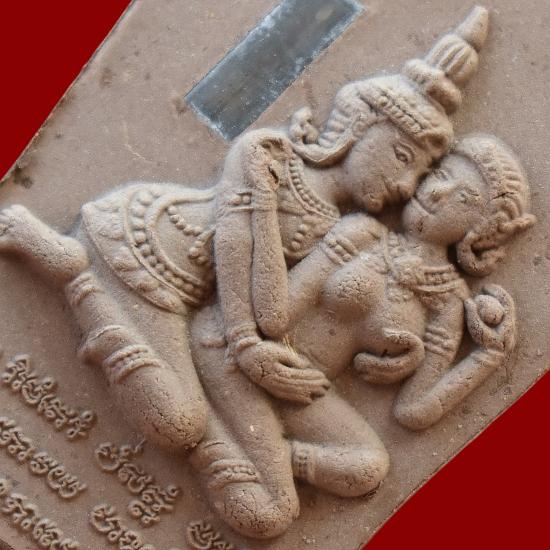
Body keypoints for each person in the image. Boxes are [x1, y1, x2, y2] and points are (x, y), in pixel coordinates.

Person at [0, 8, 488, 450]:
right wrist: (247, 343)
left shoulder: (338, 228)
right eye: (402, 157)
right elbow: (236, 251)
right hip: (141, 245)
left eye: (419, 173)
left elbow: (296, 310)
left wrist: (402, 351)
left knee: (182, 425)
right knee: (178, 425)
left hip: (182, 299)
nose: (406, 186)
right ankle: (73, 272)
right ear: (362, 125)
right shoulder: (267, 156)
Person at [187, 133, 535, 539]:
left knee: (368, 466)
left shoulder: (447, 301)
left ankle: (257, 452)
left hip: (303, 390)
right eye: (441, 175)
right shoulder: (363, 234)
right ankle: (232, 444)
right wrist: (263, 203)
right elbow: (274, 313)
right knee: (274, 512)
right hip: (249, 353)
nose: (437, 193)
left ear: (479, 230)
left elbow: (414, 410)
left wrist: (486, 357)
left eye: (465, 199)